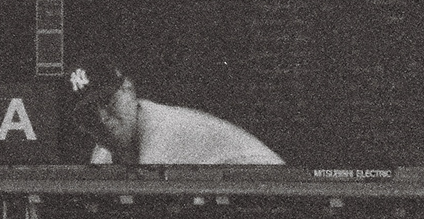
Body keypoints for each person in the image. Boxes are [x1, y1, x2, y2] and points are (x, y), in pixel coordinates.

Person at [65, 55, 283, 166]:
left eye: (108, 102)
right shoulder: (105, 150)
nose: (102, 119)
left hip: (279, 189)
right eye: (88, 116)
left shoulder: (164, 132)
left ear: (129, 89)